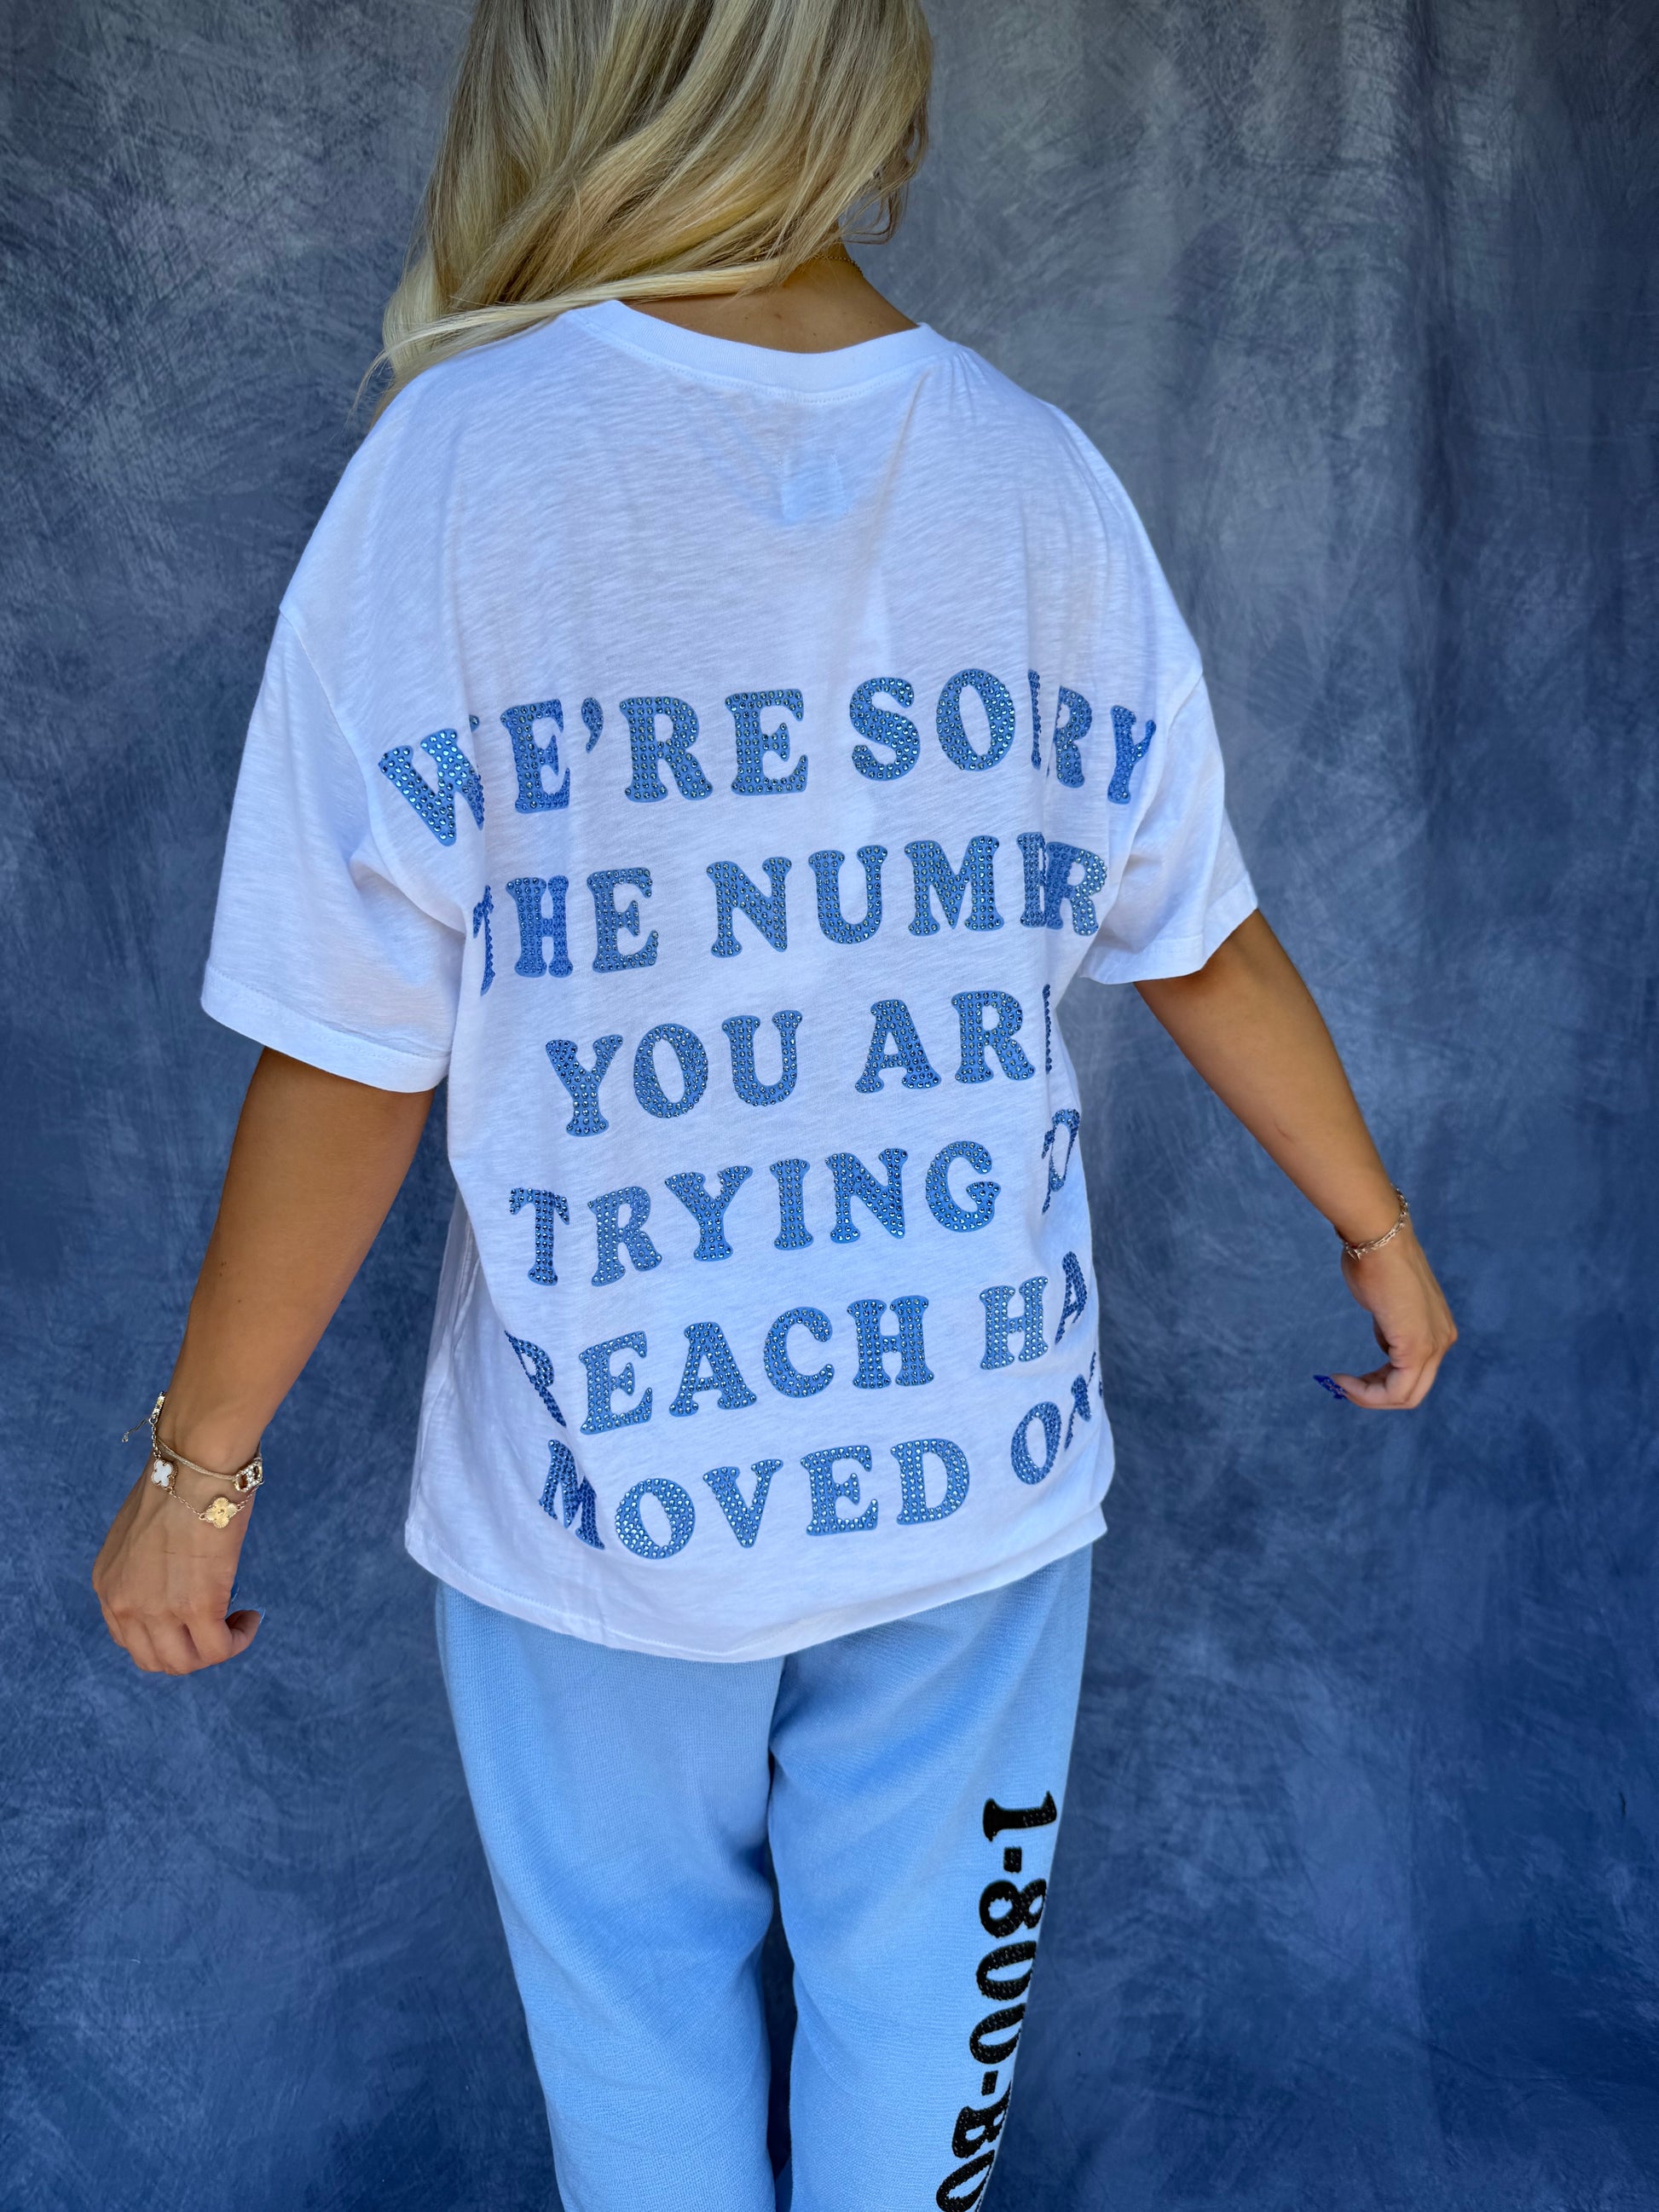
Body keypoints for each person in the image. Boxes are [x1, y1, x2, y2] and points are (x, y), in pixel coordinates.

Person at [92, 2, 1456, 2205]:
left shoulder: (458, 467)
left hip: (596, 1477)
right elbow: (1197, 928)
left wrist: (199, 1465)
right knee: (927, 2042)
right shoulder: (1037, 471)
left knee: (633, 2029)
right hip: (971, 1457)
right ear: (863, 78)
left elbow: (352, 1048)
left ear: (568, 71)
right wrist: (1372, 1226)